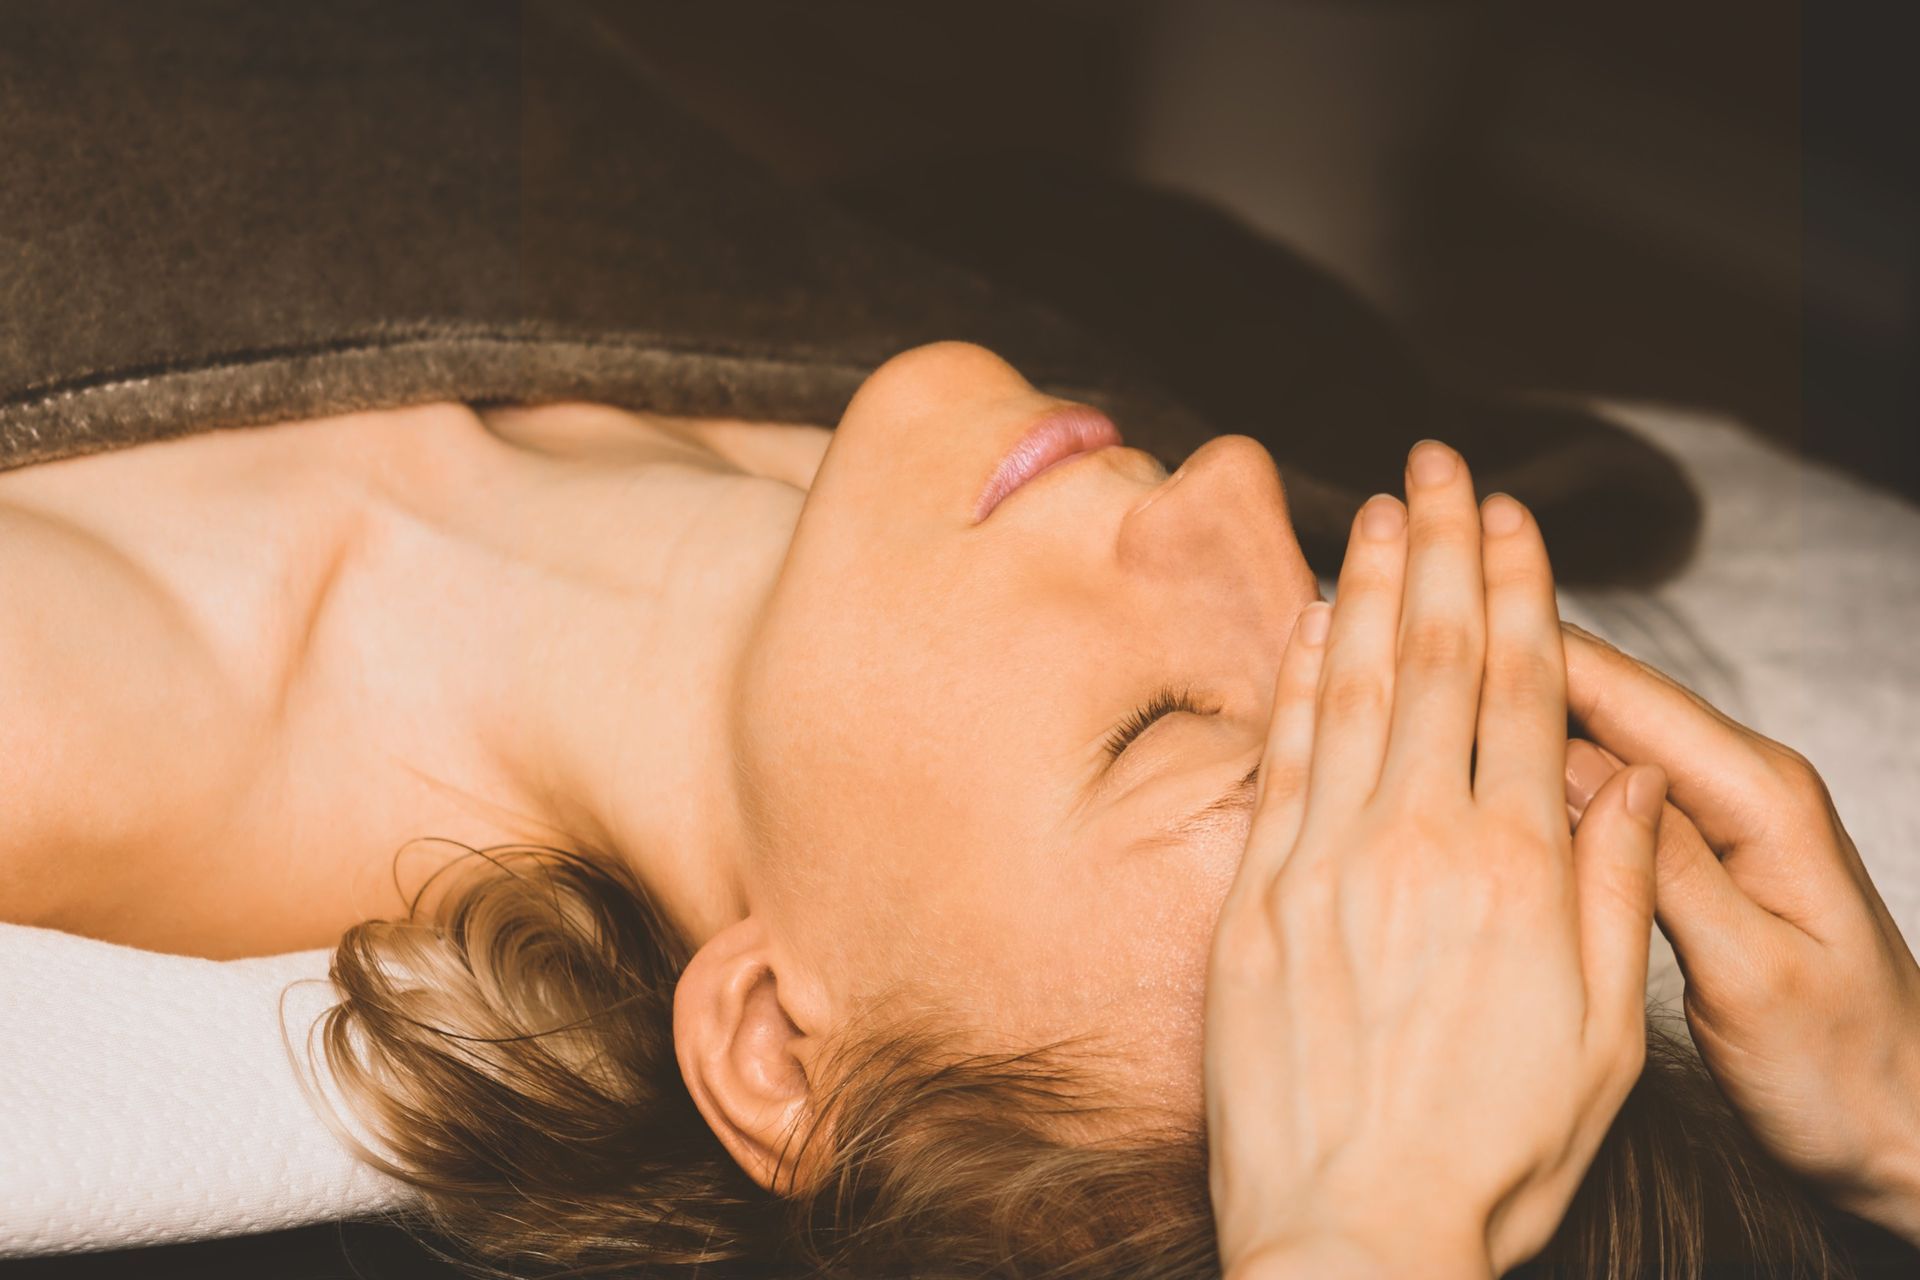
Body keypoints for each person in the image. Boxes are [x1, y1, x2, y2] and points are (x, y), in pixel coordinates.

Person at [2, 341, 1914, 1276]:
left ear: (775, 1046)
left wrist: (1367, 1233)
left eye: (1163, 726)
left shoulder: (63, 718)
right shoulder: (1094, 367)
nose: (1230, 494)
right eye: (1342, 628)